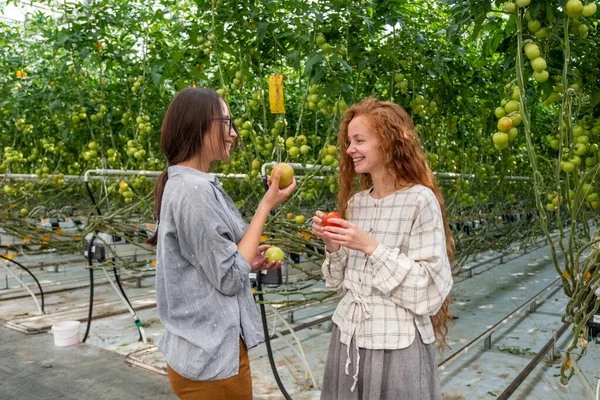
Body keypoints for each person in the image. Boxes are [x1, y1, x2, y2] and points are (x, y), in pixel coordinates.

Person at [146, 87, 296, 400]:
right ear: (198, 126)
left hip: (206, 353)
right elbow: (228, 277)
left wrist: (247, 260)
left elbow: (212, 262)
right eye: (225, 123)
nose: (233, 133)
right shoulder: (192, 191)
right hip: (211, 360)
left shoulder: (193, 184)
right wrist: (266, 206)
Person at [312, 97, 454, 400]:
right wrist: (332, 245)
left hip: (395, 345)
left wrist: (370, 246)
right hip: (348, 336)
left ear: (389, 144)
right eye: (349, 141)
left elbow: (429, 287)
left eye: (359, 140)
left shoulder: (419, 200)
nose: (350, 149)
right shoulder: (357, 204)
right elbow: (337, 282)